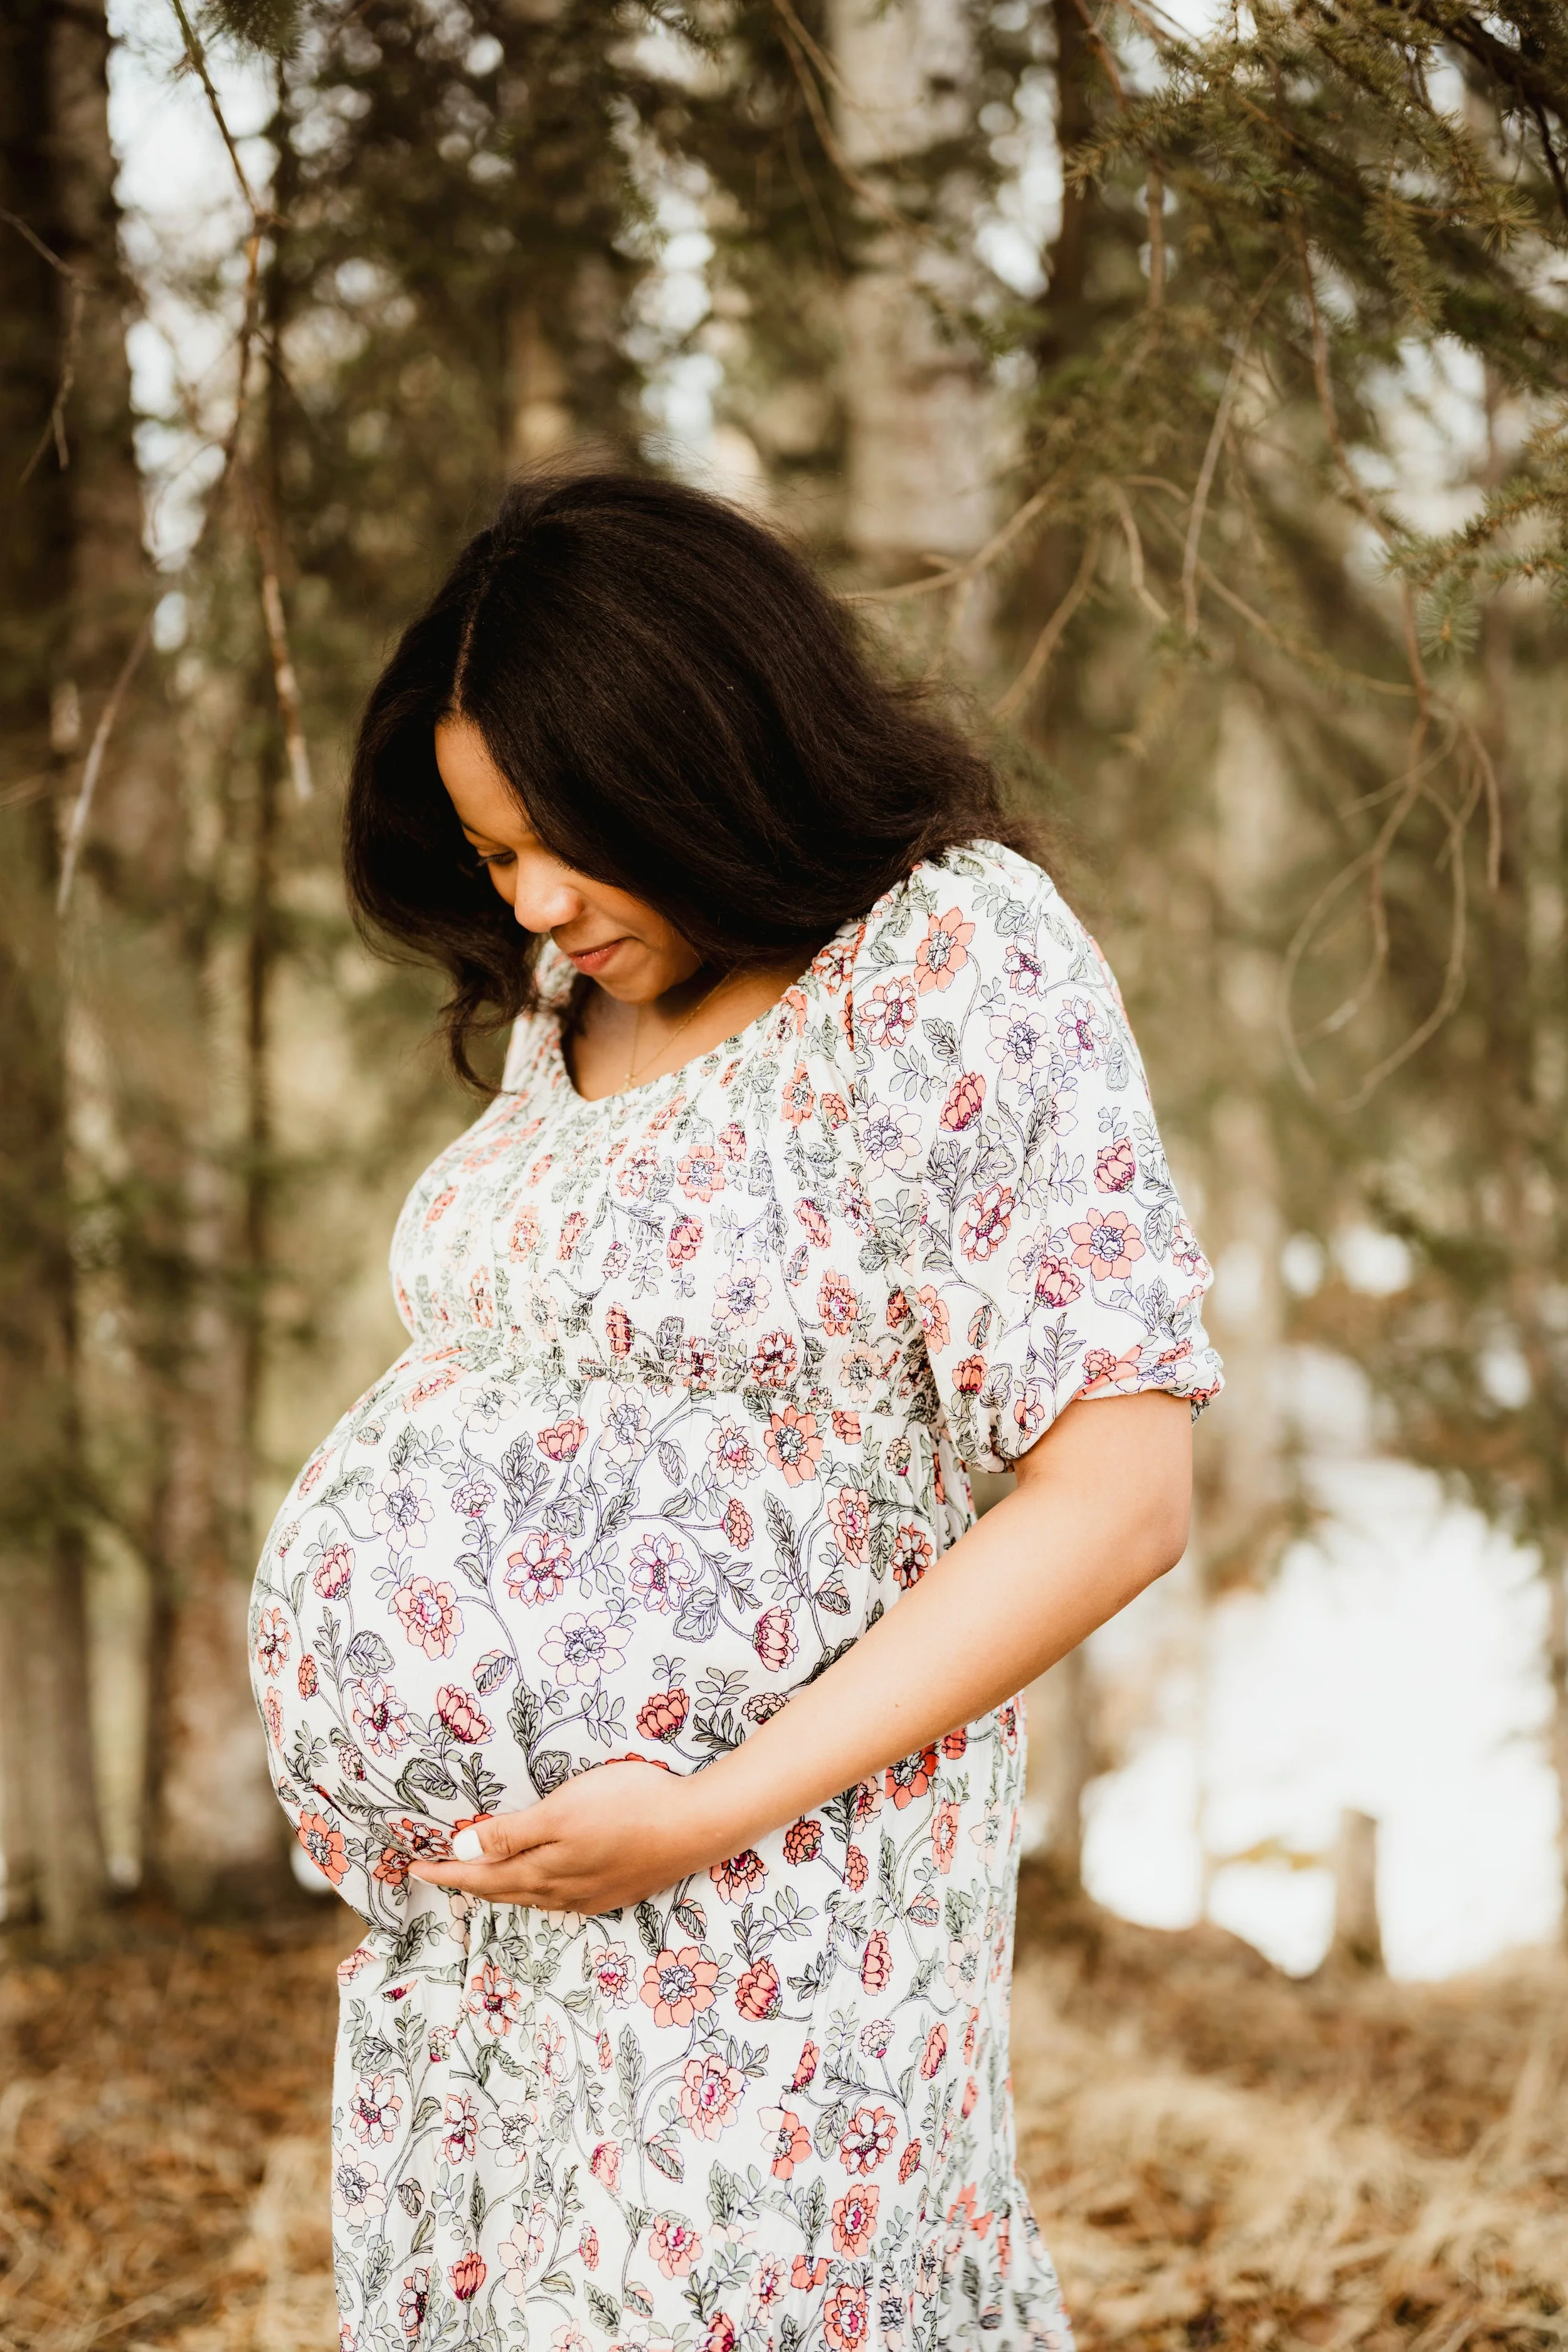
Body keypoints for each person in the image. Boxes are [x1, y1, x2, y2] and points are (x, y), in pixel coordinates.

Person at [249, 469, 1222, 2352]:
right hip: (490, 1975)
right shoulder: (571, 992)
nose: (532, 901)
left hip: (777, 1934)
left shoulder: (950, 957)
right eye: (490, 852)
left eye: (563, 841)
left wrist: (699, 1813)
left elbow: (1117, 1496)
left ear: (700, 754)